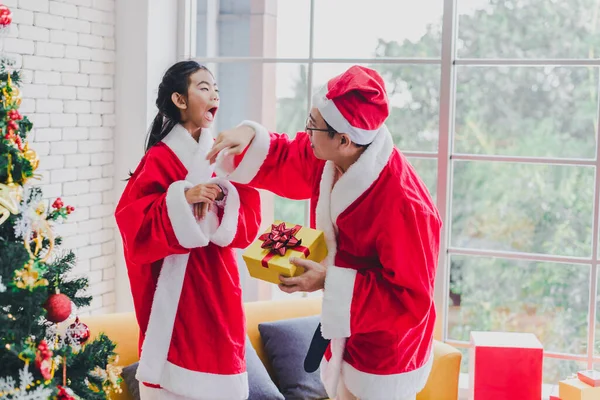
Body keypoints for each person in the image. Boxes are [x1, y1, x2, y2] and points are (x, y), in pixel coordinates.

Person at [207, 65, 442, 400]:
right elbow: (289, 156)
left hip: (386, 356)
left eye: (312, 126)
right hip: (348, 337)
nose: (306, 133)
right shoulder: (335, 155)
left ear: (343, 139)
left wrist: (327, 280)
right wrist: (248, 138)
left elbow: (409, 299)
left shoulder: (405, 204)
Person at [115, 61, 261, 400]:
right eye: (204, 88)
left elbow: (248, 220)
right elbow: (131, 220)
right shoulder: (159, 158)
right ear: (180, 100)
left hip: (220, 282)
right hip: (177, 290)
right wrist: (181, 198)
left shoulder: (225, 155)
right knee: (175, 378)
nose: (214, 95)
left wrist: (225, 196)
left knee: (223, 360)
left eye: (216, 90)